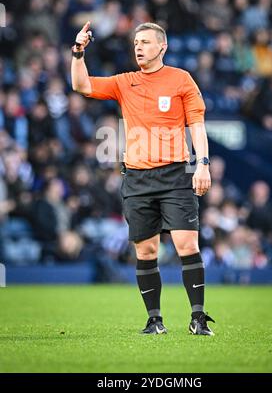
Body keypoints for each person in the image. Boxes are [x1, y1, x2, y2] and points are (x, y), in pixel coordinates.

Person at [71, 21, 215, 335]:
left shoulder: (181, 79)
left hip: (176, 174)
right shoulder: (125, 82)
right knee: (146, 252)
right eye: (136, 42)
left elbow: (197, 126)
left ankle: (198, 318)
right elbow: (81, 86)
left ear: (162, 47)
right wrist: (78, 52)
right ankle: (154, 320)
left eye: (146, 42)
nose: (139, 47)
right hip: (137, 178)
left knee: (186, 244)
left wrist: (202, 164)